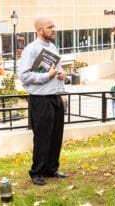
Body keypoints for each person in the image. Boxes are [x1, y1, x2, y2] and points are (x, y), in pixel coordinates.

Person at [19, 17, 68, 186]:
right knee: (42, 137)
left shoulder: (52, 47)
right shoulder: (30, 50)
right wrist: (47, 76)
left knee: (56, 135)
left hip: (56, 96)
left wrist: (62, 74)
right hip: (40, 99)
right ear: (39, 30)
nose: (53, 29)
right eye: (49, 27)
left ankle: (51, 169)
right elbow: (24, 76)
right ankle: (37, 172)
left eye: (53, 26)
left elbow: (58, 69)